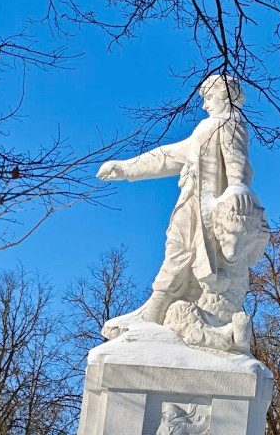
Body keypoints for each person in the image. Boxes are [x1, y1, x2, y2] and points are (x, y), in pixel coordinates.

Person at [97, 74, 253, 325]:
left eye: (208, 97)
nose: (205, 105)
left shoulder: (229, 123)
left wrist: (236, 192)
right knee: (177, 251)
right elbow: (169, 156)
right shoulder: (208, 128)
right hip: (192, 203)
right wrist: (126, 168)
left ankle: (155, 317)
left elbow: (238, 166)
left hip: (206, 209)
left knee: (180, 255)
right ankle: (157, 314)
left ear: (225, 94)